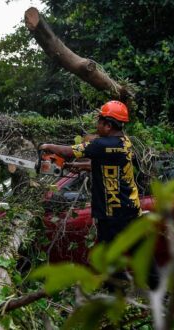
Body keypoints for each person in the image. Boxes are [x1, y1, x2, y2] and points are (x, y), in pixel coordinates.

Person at [39, 100, 141, 244]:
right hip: (131, 210)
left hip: (111, 215)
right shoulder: (125, 143)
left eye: (99, 121)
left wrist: (47, 145)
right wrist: (78, 165)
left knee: (108, 259)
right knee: (142, 258)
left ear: (108, 125)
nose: (96, 125)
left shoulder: (100, 144)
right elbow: (108, 165)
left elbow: (68, 151)